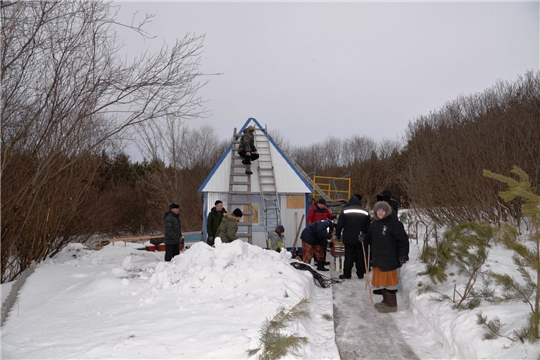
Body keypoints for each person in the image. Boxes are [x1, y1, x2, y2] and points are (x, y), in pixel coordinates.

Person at [365, 201, 409, 313]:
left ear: (387, 211)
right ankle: (385, 302)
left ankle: (392, 305)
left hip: (390, 258)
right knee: (382, 281)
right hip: (378, 258)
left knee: (389, 282)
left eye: (382, 210)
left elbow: (403, 241)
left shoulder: (394, 224)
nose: (380, 212)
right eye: (378, 210)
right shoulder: (374, 224)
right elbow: (370, 238)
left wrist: (403, 255)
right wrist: (363, 238)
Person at [335, 195, 371, 279]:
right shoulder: (365, 211)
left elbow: (340, 225)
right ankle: (360, 274)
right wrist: (367, 236)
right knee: (360, 256)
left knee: (348, 256)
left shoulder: (345, 211)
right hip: (360, 238)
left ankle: (347, 274)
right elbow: (368, 226)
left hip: (348, 237)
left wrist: (337, 234)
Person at [307, 198, 334, 267]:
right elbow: (309, 219)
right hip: (315, 230)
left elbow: (329, 216)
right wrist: (311, 228)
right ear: (318, 203)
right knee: (317, 246)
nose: (322, 206)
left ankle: (322, 260)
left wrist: (332, 217)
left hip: (323, 229)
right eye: (321, 204)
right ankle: (317, 260)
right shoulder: (313, 209)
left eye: (323, 205)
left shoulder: (325, 209)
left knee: (323, 245)